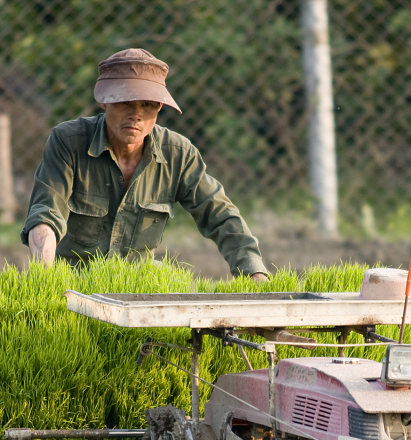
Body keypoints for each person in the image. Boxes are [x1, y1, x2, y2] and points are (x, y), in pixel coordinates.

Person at [22, 48, 268, 281]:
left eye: (148, 105)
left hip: (138, 286)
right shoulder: (69, 142)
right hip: (75, 283)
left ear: (160, 107)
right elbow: (46, 214)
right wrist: (46, 278)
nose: (136, 114)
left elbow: (221, 216)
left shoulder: (178, 155)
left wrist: (255, 274)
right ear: (104, 101)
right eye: (126, 102)